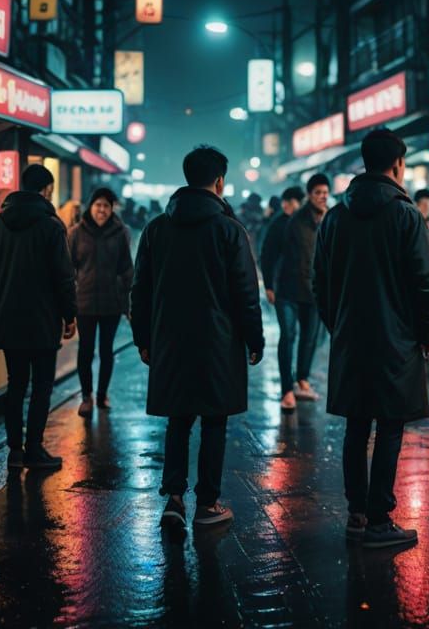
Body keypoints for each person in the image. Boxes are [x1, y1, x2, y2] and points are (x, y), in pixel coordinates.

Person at [313, 129, 429, 549]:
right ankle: (381, 518)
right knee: (389, 426)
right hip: (396, 340)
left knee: (356, 424)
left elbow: (320, 283)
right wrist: (427, 333)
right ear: (398, 165)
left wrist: (339, 324)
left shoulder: (335, 216)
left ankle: (357, 512)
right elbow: (425, 283)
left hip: (351, 337)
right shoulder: (406, 216)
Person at [132, 146, 265, 529]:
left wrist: (144, 336)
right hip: (218, 343)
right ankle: (207, 504)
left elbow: (140, 289)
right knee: (213, 421)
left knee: (178, 419)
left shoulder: (157, 228)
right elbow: (245, 293)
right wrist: (254, 339)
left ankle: (173, 498)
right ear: (219, 181)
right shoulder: (229, 230)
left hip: (169, 341)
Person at [0, 163, 77, 470]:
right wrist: (69, 314)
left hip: (8, 320)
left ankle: (15, 451)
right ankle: (34, 448)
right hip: (43, 321)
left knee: (15, 383)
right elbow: (63, 276)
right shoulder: (52, 226)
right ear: (46, 190)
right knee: (42, 385)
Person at [68, 187, 133, 416]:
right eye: (98, 205)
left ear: (111, 208)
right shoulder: (76, 233)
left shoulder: (121, 232)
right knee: (85, 350)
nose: (102, 210)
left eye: (106, 206)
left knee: (107, 350)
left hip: (111, 302)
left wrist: (128, 305)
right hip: (84, 302)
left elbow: (127, 269)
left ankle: (102, 394)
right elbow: (68, 268)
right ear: (90, 206)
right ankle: (86, 396)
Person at [274, 174, 329, 411]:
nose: (322, 197)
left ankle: (302, 380)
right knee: (288, 337)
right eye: (318, 193)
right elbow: (277, 255)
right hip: (289, 290)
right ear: (309, 195)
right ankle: (287, 389)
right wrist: (270, 285)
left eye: (325, 193)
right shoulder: (295, 222)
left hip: (313, 291)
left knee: (310, 339)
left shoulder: (329, 220)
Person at [260, 186, 304, 295]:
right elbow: (267, 254)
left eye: (290, 202)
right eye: (284, 201)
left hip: (308, 287)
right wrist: (269, 285)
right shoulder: (277, 224)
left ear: (299, 202)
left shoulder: (312, 221)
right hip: (283, 285)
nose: (285, 205)